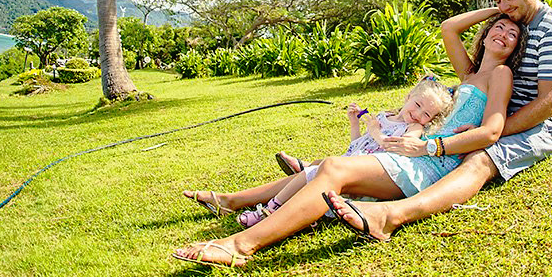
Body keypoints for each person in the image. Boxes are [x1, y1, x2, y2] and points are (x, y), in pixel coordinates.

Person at [171, 8, 526, 267]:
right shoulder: (468, 73)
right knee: (321, 169)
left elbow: (492, 131)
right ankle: (233, 202)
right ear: (484, 31)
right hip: (412, 154)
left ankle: (241, 245)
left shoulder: (499, 74)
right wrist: (502, 7)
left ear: (515, 48)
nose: (503, 34)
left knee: (333, 170)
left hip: (431, 162)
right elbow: (449, 27)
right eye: (498, 27)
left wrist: (430, 145)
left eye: (512, 33)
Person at [323, 0, 552, 243]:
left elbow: (549, 104)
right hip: (500, 112)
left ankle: (391, 216)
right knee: (423, 114)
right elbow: (450, 29)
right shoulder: (513, 20)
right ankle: (327, 172)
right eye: (498, 0)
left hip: (544, 124)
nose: (505, 6)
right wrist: (499, 10)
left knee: (480, 158)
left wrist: (489, 134)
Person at [184, 78, 453, 227]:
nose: (417, 114)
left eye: (425, 114)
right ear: (408, 97)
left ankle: (270, 210)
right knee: (313, 174)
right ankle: (237, 201)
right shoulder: (386, 115)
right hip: (351, 163)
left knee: (312, 173)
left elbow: (393, 149)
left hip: (365, 176)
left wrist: (377, 132)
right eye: (416, 105)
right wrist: (356, 123)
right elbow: (355, 147)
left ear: (430, 120)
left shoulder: (413, 130)